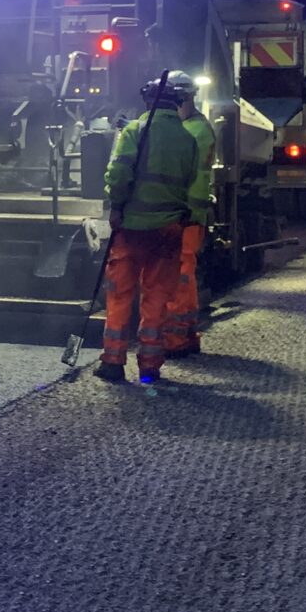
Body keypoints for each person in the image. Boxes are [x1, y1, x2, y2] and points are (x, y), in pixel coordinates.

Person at [99, 70, 212, 384]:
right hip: (169, 232)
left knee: (120, 294)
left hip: (132, 229)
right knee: (157, 297)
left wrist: (117, 207)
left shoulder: (135, 131)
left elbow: (118, 175)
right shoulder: (188, 139)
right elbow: (191, 181)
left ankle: (112, 362)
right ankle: (150, 366)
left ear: (148, 101)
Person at [162, 97, 218, 358]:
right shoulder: (197, 127)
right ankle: (185, 334)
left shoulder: (195, 130)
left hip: (186, 214)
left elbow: (174, 150)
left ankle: (176, 339)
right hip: (187, 214)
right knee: (185, 275)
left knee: (180, 276)